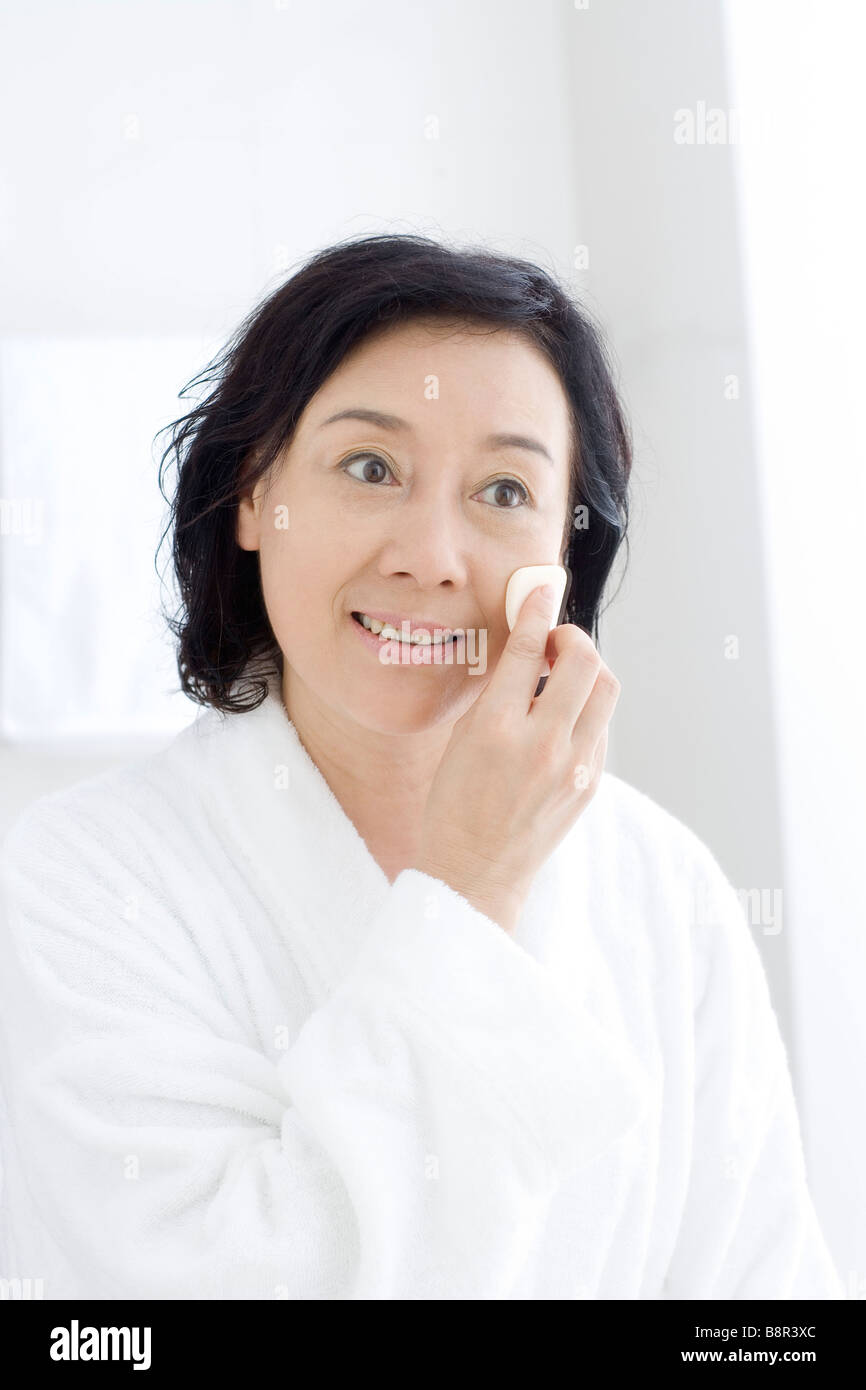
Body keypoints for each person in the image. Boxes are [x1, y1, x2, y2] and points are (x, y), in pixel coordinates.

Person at [0, 234, 844, 1300]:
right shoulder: (88, 879)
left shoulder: (663, 886)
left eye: (501, 491)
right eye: (369, 468)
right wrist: (465, 891)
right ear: (256, 494)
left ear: (563, 549)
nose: (431, 556)